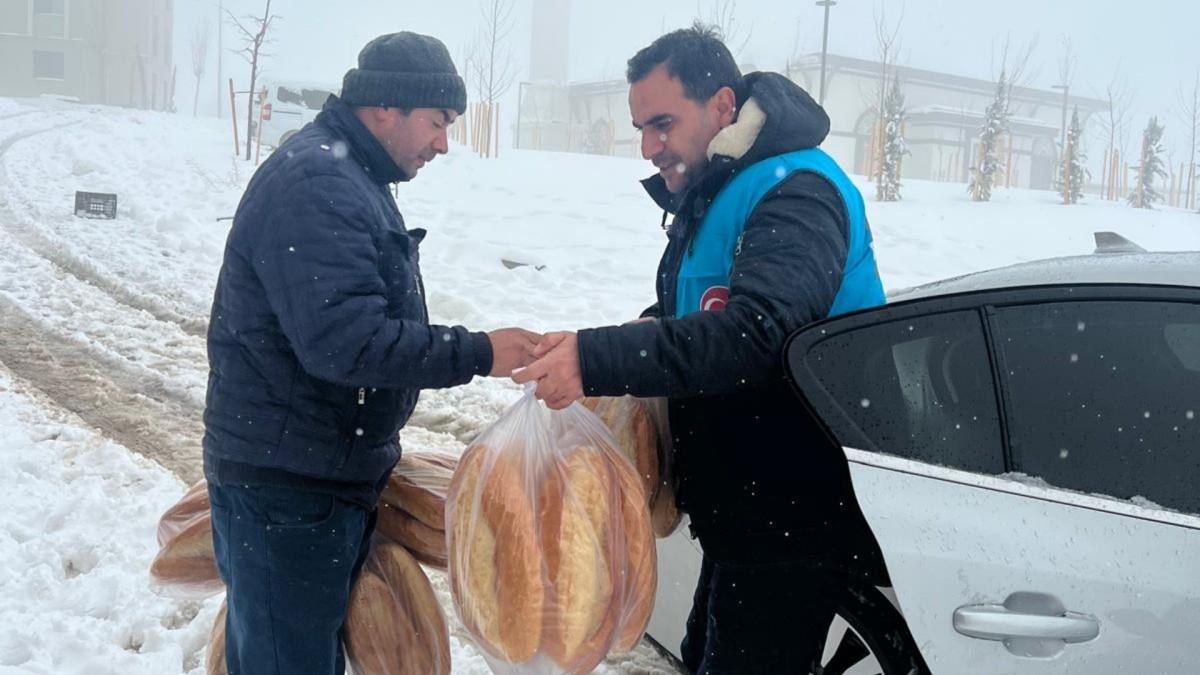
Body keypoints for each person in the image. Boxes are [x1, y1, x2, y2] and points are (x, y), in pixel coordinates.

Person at [515, 24, 890, 673]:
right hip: (743, 511)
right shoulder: (723, 187)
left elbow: (759, 333)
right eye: (641, 128)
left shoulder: (797, 190)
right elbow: (696, 311)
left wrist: (596, 359)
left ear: (721, 105)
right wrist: (614, 343)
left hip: (792, 510)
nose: (647, 147)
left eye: (662, 123)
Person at [202, 32, 538, 674]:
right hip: (288, 490)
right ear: (386, 106)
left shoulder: (349, 176)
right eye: (437, 121)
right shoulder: (318, 182)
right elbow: (346, 342)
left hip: (312, 475)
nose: (444, 143)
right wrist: (478, 352)